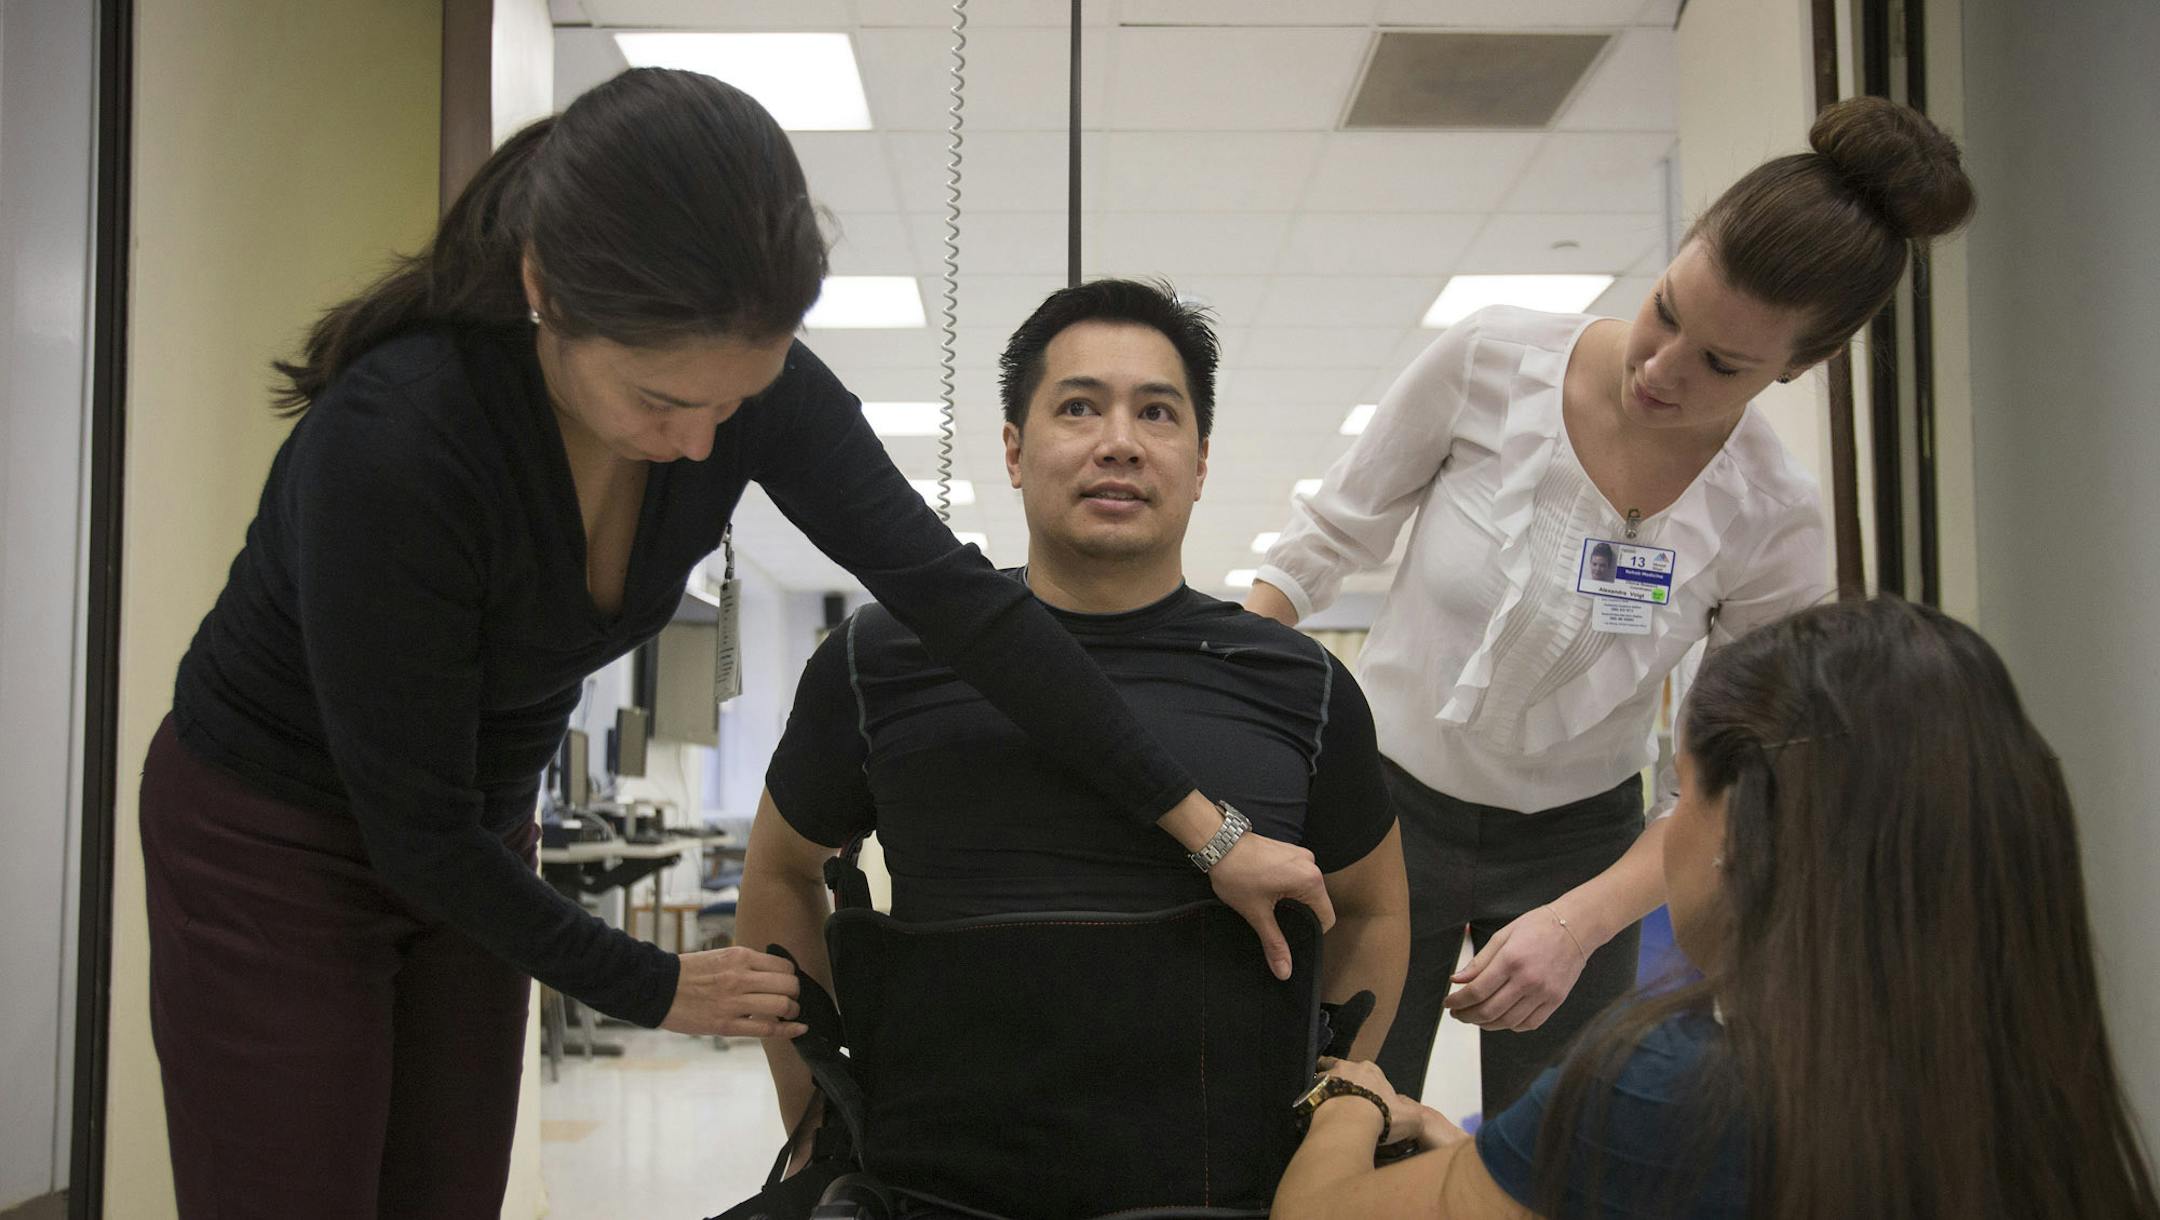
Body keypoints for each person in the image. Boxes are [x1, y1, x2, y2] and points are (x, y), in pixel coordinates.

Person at [138, 73, 1325, 1219]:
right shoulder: (398, 440)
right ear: (546, 289)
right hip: (278, 835)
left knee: (445, 1191)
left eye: (732, 399)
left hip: (478, 838)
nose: (703, 442)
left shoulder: (748, 395)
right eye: (662, 402)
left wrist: (1210, 830)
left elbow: (964, 605)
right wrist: (661, 983)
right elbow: (407, 825)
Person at [1244, 96, 1976, 1113]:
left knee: (1565, 1146)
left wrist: (1580, 922)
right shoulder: (1489, 362)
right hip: (1386, 803)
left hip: (1581, 844)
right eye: (1669, 308)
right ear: (1675, 253)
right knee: (1334, 1109)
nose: (1661, 369)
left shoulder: (1774, 517)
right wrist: (1221, 724)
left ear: (1797, 368)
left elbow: (1733, 778)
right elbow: (1322, 545)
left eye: (1723, 364)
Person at [736, 279, 1410, 1194]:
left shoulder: (1300, 682)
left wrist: (1326, 1132)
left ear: (1201, 461)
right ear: (1015, 451)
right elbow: (780, 873)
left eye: (1157, 413)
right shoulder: (882, 656)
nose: (1119, 442)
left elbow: (1372, 909)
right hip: (940, 1191)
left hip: (1216, 1194)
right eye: (1079, 407)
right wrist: (818, 1120)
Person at [1268, 597, 2160, 1220]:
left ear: (1742, 825)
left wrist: (1354, 1095)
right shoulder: (2033, 1082)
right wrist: (1502, 1150)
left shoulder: (1673, 1085)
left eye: (1681, 796)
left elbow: (1320, 1213)